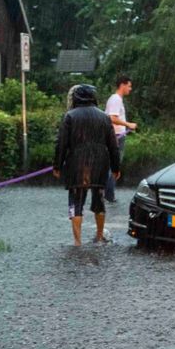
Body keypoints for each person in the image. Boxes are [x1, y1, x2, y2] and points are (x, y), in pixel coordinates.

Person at [54, 84, 121, 246]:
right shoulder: (104, 117)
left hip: (76, 163)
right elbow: (113, 145)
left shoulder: (70, 116)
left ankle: (77, 241)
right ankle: (99, 236)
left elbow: (61, 144)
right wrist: (116, 166)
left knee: (76, 202)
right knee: (99, 200)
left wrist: (57, 165)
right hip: (100, 163)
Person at [104, 76, 137, 202]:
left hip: (116, 136)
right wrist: (129, 125)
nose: (130, 88)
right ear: (122, 85)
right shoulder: (116, 99)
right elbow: (112, 118)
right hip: (116, 137)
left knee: (112, 165)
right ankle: (108, 195)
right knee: (114, 165)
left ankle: (108, 194)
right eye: (129, 86)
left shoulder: (116, 99)